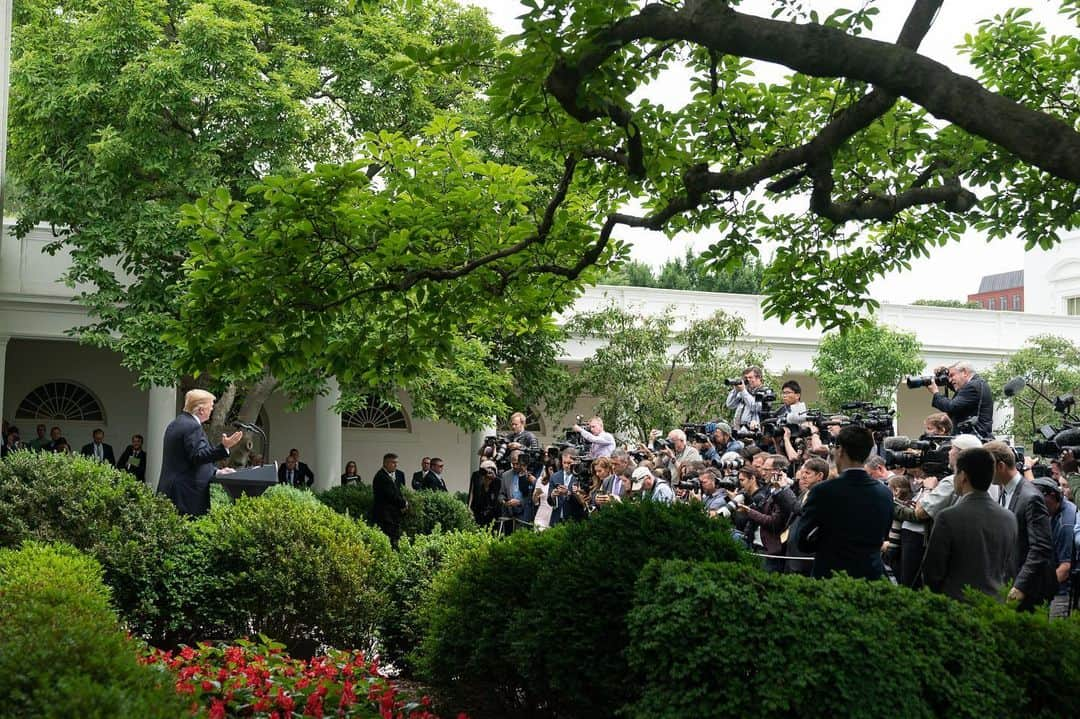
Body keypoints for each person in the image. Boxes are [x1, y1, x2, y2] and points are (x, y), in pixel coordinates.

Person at [920, 447, 1017, 601]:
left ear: (963, 476)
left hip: (956, 606)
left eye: (955, 472)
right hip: (994, 605)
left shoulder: (948, 517)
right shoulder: (1009, 517)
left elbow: (932, 572)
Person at [797, 426, 894, 580]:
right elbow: (884, 533)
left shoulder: (823, 491)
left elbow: (801, 540)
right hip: (871, 576)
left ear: (840, 450)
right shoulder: (886, 493)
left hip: (832, 576)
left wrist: (826, 545)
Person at [985, 441, 1055, 612]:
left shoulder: (1030, 497)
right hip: (1008, 583)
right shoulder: (1004, 491)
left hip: (1029, 590)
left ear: (1000, 466)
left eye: (987, 467)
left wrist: (1021, 586)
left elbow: (1041, 547)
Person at [158, 389, 243, 517]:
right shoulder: (192, 426)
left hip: (174, 491)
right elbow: (198, 456)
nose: (212, 410)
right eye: (211, 407)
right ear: (201, 410)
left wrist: (216, 471)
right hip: (185, 495)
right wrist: (224, 447)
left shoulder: (177, 423)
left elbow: (189, 460)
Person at [1032, 477, 1074, 618]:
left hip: (1063, 594)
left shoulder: (1065, 524)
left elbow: (1066, 568)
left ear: (1052, 496)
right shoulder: (1053, 510)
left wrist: (1039, 588)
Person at [925, 361, 994, 438]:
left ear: (964, 372)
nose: (950, 380)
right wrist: (943, 374)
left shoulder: (972, 386)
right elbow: (959, 391)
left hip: (972, 439)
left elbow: (951, 407)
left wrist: (935, 392)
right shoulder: (977, 383)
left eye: (952, 375)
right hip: (974, 437)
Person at [372, 454, 408, 547]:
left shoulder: (387, 476)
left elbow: (397, 492)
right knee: (390, 540)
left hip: (391, 515)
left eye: (396, 463)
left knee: (394, 539)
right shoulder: (382, 477)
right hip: (386, 516)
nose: (396, 465)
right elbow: (391, 496)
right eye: (393, 463)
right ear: (386, 463)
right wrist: (404, 504)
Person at [548, 449, 588, 526]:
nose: (566, 466)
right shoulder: (555, 476)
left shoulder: (581, 477)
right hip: (556, 520)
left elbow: (583, 502)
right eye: (564, 463)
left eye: (569, 463)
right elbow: (550, 501)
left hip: (574, 520)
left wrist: (568, 493)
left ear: (576, 462)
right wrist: (552, 496)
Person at [499, 450, 536, 533]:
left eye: (517, 464)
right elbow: (501, 494)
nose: (515, 466)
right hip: (510, 514)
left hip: (525, 514)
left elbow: (533, 496)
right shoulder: (505, 475)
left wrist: (520, 502)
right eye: (513, 464)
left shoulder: (530, 475)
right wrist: (504, 501)